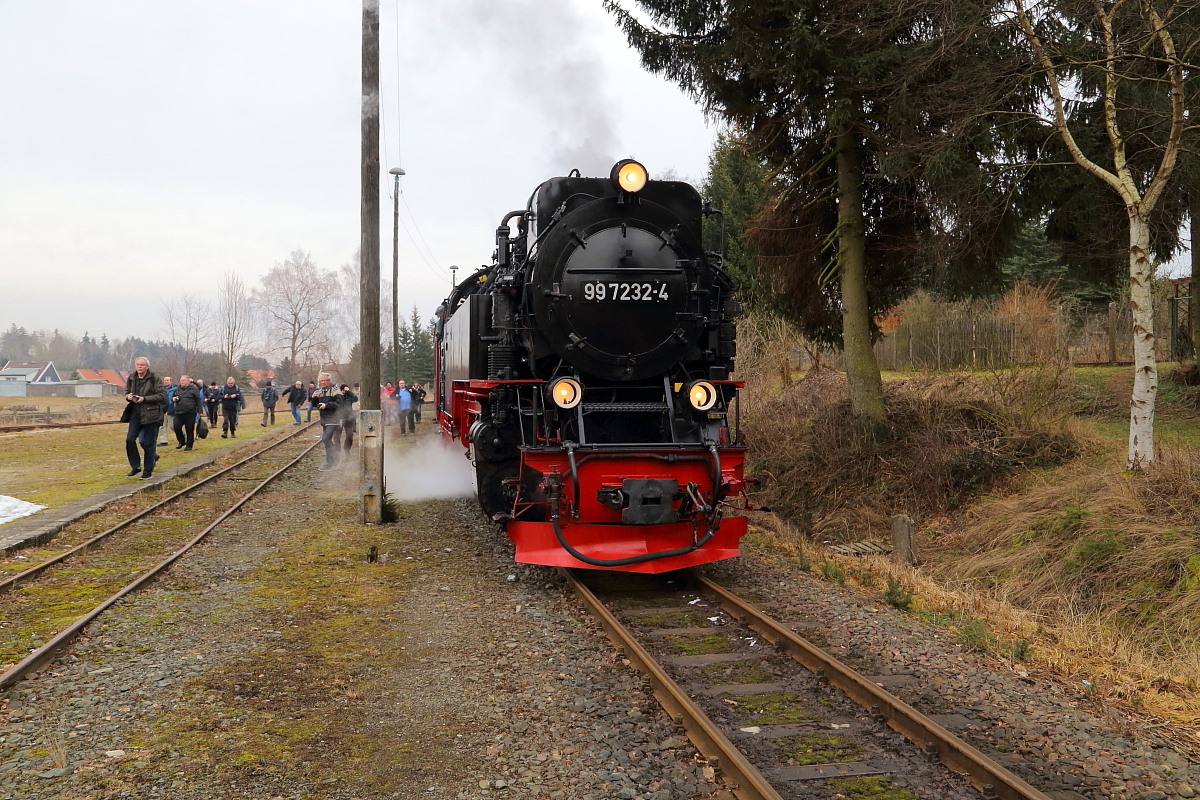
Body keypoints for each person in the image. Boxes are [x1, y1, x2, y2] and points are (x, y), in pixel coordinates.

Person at [122, 357, 166, 479]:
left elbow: (162, 395)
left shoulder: (154, 378)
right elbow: (126, 392)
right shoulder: (131, 377)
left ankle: (147, 471)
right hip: (136, 413)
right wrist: (128, 396)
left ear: (147, 366)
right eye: (137, 364)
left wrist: (145, 399)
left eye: (142, 365)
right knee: (129, 439)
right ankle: (135, 466)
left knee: (148, 444)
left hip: (151, 414)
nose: (139, 367)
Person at [311, 372, 344, 470]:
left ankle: (336, 458)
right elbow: (316, 405)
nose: (323, 382)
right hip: (325, 419)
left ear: (329, 381)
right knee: (326, 440)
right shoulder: (320, 391)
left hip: (334, 419)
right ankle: (329, 462)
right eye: (321, 380)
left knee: (325, 438)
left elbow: (339, 404)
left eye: (325, 380)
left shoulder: (335, 390)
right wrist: (313, 398)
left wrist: (326, 405)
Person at [171, 375, 202, 451]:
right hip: (178, 412)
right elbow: (171, 398)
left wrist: (200, 410)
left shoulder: (193, 389)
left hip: (190, 412)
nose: (182, 382)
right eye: (181, 380)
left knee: (189, 429)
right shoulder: (176, 389)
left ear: (188, 381)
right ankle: (181, 441)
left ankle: (189, 445)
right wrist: (173, 399)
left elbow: (198, 400)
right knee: (176, 427)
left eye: (184, 380)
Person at [339, 383, 359, 452]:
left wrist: (349, 392)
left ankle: (346, 450)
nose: (344, 391)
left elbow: (356, 399)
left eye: (345, 390)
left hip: (349, 417)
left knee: (349, 435)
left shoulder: (349, 396)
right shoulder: (338, 396)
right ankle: (336, 451)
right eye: (342, 390)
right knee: (337, 435)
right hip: (339, 417)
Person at [159, 376, 176, 447]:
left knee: (172, 426)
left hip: (171, 409)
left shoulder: (174, 389)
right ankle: (163, 441)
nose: (166, 381)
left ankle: (181, 436)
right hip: (162, 409)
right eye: (165, 380)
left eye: (167, 380)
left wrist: (171, 409)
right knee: (162, 426)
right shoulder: (161, 389)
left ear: (170, 381)